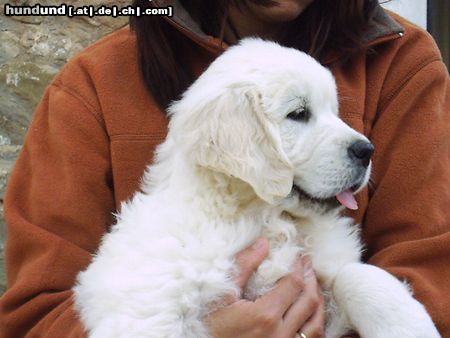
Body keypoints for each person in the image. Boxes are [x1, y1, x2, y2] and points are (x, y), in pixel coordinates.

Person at [0, 0, 449, 337]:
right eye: (298, 115)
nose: (355, 143)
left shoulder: (401, 62)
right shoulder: (93, 85)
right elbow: (37, 315)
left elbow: (433, 277)